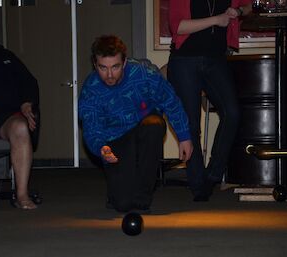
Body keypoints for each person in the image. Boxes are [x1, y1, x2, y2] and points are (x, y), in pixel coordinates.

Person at [79, 35, 193, 213]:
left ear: (124, 63)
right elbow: (91, 128)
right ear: (95, 64)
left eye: (115, 67)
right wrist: (102, 148)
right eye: (103, 68)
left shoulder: (143, 74)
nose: (109, 75)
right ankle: (117, 192)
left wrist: (184, 136)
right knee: (123, 204)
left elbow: (170, 101)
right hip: (115, 141)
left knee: (154, 125)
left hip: (143, 129)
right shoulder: (91, 89)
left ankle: (143, 198)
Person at [167, 0, 252, 201]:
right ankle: (199, 185)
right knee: (191, 123)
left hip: (215, 58)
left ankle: (213, 174)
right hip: (185, 59)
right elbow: (178, 26)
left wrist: (238, 10)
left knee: (232, 112)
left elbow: (249, 5)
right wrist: (216, 19)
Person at [0, 26, 39, 210]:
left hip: (6, 116)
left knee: (20, 128)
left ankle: (22, 195)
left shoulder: (3, 55)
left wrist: (27, 103)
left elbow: (28, 82)